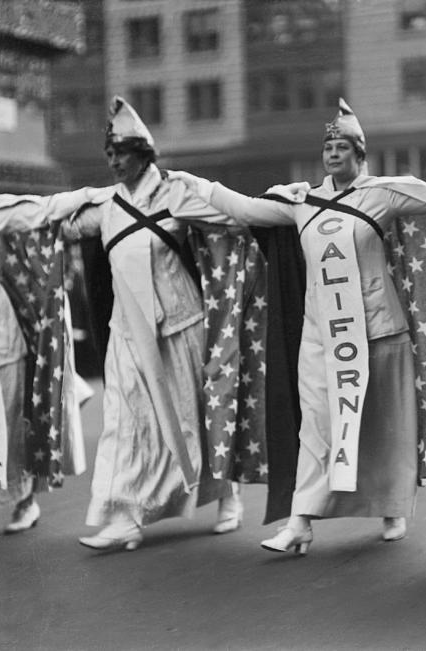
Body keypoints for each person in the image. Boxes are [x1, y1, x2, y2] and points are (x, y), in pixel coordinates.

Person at [171, 98, 426, 554]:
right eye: (328, 147)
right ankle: (300, 524)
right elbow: (245, 211)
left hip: (379, 333)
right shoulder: (301, 201)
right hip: (321, 338)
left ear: (360, 153)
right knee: (317, 429)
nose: (333, 154)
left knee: (383, 427)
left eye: (342, 146)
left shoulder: (382, 192)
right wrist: (198, 184)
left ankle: (393, 508)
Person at [63, 97, 259, 551]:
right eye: (109, 155)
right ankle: (127, 516)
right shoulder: (106, 207)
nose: (114, 162)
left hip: (181, 326)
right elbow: (63, 227)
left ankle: (228, 495)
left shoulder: (175, 195)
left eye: (122, 153)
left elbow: (234, 219)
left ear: (143, 154)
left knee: (196, 421)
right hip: (127, 334)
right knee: (125, 423)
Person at [0, 189, 101, 532]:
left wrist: (96, 194)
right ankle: (72, 393)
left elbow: (45, 209)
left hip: (3, 342)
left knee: (12, 427)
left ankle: (26, 502)